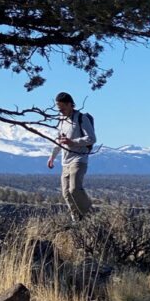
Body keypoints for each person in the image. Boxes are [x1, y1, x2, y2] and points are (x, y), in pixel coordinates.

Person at [47, 92, 95, 222]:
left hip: (79, 159)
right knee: (66, 194)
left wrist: (73, 142)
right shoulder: (62, 121)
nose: (60, 111)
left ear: (70, 104)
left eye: (62, 108)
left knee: (74, 189)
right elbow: (59, 141)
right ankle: (77, 221)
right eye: (59, 108)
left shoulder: (81, 118)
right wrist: (52, 157)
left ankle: (92, 217)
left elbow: (91, 138)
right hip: (65, 161)